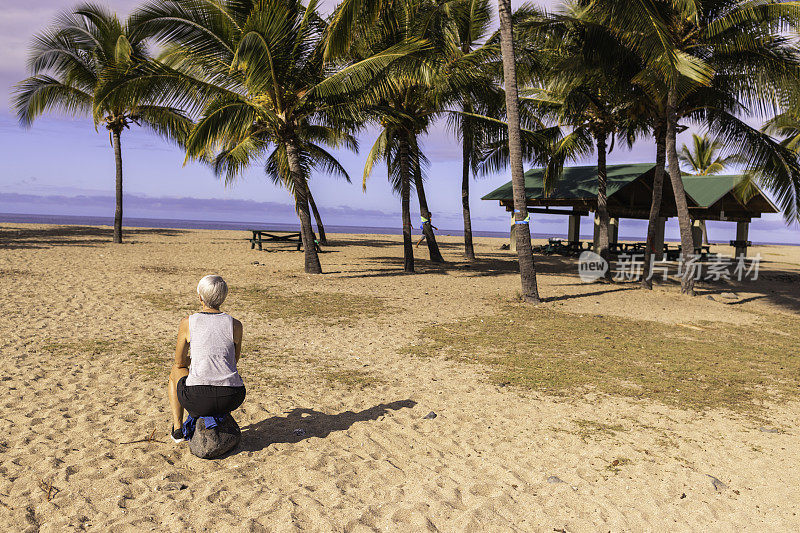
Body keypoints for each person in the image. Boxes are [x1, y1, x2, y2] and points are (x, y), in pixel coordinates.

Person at [167, 275, 245, 443]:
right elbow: (232, 361)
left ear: (200, 297)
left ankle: (178, 429)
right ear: (223, 297)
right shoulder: (236, 324)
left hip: (198, 397)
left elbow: (179, 362)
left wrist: (194, 361)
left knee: (175, 371)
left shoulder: (188, 322)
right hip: (232, 396)